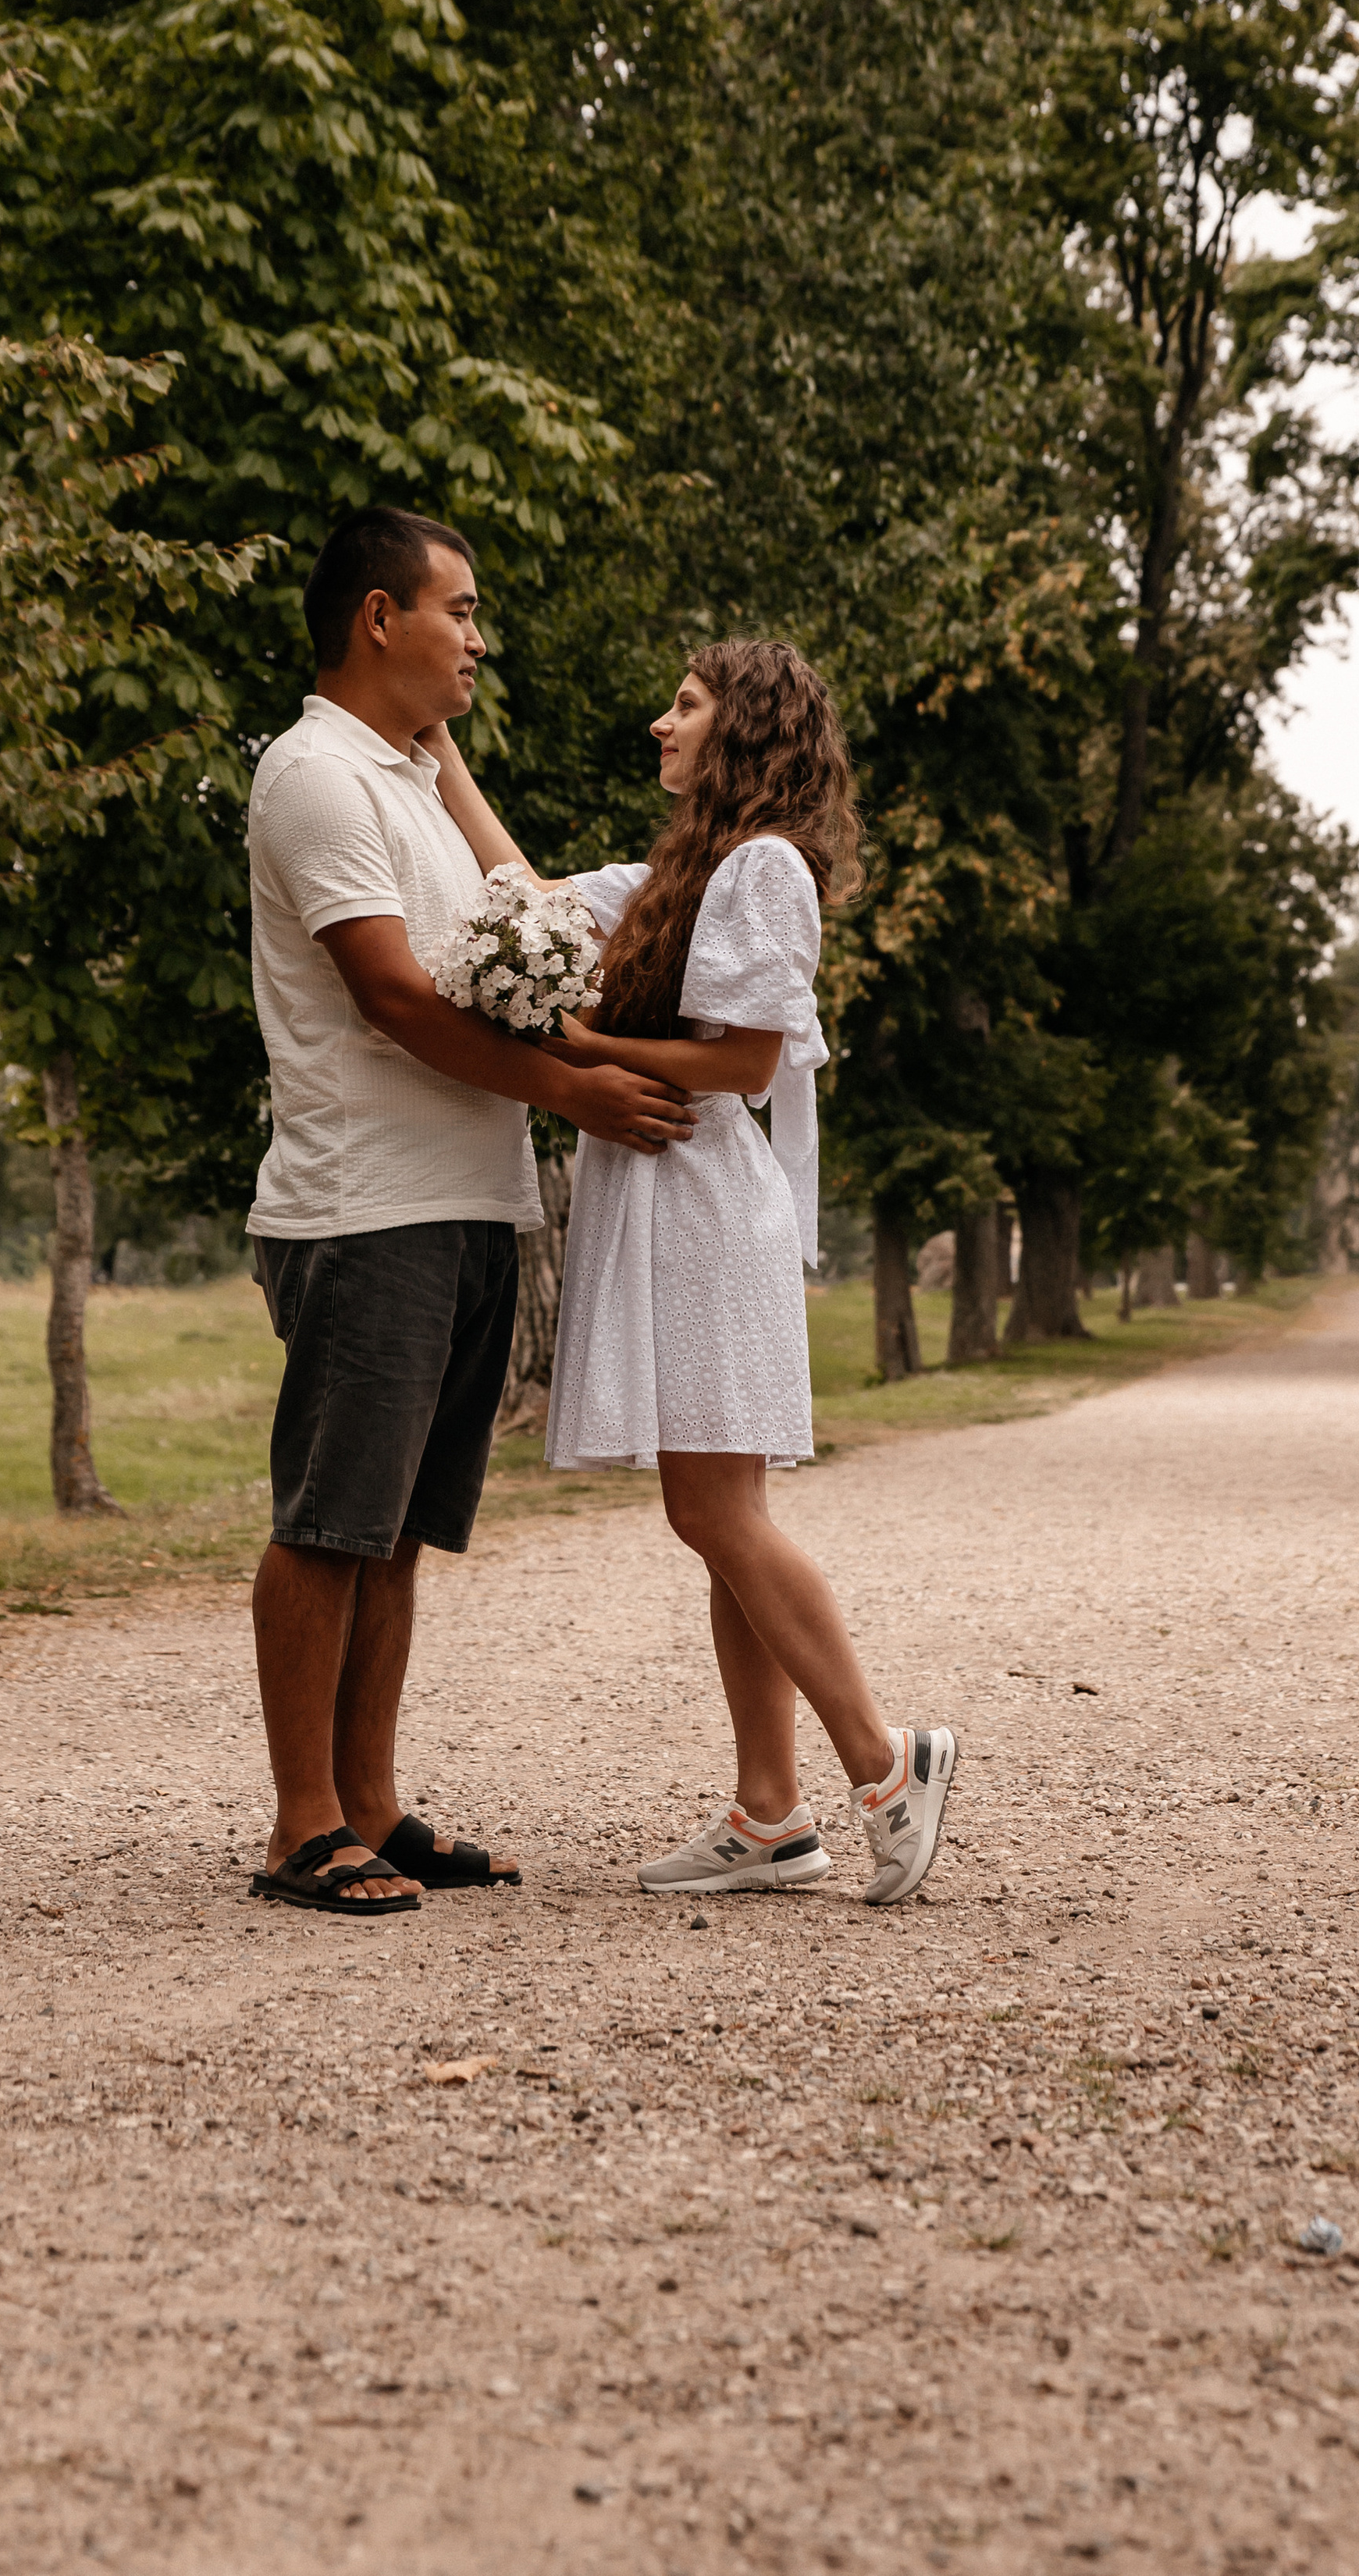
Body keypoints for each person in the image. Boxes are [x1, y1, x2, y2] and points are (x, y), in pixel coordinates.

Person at [436, 639, 958, 1908]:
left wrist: (573, 1043)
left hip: (707, 1202)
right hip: (661, 1197)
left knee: (711, 1513)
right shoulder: (683, 868)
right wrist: (438, 755)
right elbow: (530, 896)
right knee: (723, 1523)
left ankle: (888, 1764)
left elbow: (745, 1063)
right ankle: (771, 1815)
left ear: (746, 727)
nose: (658, 721)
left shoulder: (766, 868)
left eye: (683, 704)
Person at [242, 507, 694, 1916]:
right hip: (364, 1207)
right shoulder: (315, 778)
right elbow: (387, 996)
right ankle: (301, 1823)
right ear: (381, 619)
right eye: (462, 610)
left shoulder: (414, 777)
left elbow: (524, 926)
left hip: (467, 1203)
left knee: (399, 1528)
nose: (480, 638)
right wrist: (575, 1098)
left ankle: (370, 1803)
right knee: (331, 1520)